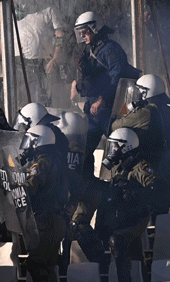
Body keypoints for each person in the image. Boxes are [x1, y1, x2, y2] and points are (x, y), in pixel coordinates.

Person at [71, 11, 136, 180]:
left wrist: (102, 99)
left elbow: (119, 78)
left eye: (85, 32)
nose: (83, 36)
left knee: (120, 149)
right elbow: (95, 81)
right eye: (81, 33)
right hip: (95, 111)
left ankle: (128, 185)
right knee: (84, 151)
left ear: (96, 29)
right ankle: (88, 186)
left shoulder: (110, 50)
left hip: (112, 109)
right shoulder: (91, 50)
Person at [96, 128, 162, 282]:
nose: (112, 151)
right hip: (123, 215)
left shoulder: (140, 167)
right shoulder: (119, 168)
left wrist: (133, 191)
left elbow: (157, 189)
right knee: (135, 254)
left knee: (118, 241)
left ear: (126, 147)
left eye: (115, 147)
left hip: (138, 215)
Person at [20, 126, 69, 282]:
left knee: (38, 266)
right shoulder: (57, 160)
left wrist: (18, 185)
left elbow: (30, 189)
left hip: (45, 221)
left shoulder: (40, 165)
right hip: (55, 220)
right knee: (47, 268)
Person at [0, 2, 67, 106]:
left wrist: (55, 58)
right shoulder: (11, 12)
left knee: (40, 105)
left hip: (40, 66)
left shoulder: (48, 9)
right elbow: (4, 40)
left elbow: (60, 35)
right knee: (16, 104)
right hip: (16, 66)